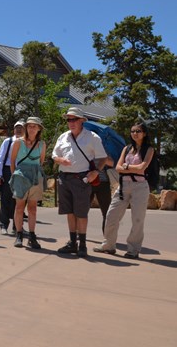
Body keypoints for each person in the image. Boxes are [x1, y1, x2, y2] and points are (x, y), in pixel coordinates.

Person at [94, 121, 154, 259]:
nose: (134, 133)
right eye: (132, 131)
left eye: (138, 131)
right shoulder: (126, 148)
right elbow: (117, 167)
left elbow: (141, 168)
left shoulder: (149, 149)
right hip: (123, 186)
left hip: (140, 187)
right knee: (111, 215)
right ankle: (108, 245)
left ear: (144, 133)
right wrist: (129, 168)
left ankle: (133, 249)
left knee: (138, 220)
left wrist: (126, 167)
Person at [52, 107, 107, 257]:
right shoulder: (63, 137)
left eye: (74, 119)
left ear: (82, 121)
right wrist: (60, 159)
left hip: (82, 179)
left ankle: (82, 245)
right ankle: (72, 243)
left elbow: (103, 158)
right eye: (69, 119)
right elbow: (54, 155)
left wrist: (95, 172)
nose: (71, 122)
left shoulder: (92, 137)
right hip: (65, 178)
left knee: (81, 213)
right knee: (69, 212)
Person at [9, 117, 46, 249]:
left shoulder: (42, 144)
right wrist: (14, 176)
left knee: (33, 208)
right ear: (26, 127)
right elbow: (12, 161)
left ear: (39, 128)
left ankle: (32, 235)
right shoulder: (19, 142)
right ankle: (19, 234)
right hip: (21, 175)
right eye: (29, 126)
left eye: (34, 126)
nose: (31, 128)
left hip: (35, 176)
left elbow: (41, 162)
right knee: (19, 207)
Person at [0, 121, 24, 234]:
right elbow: (0, 159)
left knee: (19, 200)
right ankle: (3, 224)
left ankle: (16, 226)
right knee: (6, 198)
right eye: (16, 127)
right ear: (13, 129)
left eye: (21, 128)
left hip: (21, 171)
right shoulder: (8, 141)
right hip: (7, 171)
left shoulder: (26, 142)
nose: (18, 130)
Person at [90, 155, 115, 234]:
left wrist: (105, 159)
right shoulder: (84, 146)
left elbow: (113, 163)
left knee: (107, 212)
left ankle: (107, 236)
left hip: (103, 182)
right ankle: (79, 233)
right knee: (81, 210)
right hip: (88, 182)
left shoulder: (103, 150)